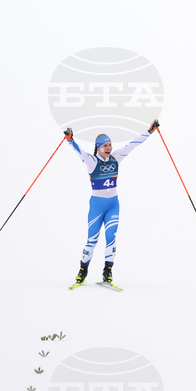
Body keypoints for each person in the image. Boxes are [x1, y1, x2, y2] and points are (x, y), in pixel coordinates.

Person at [66, 119, 160, 288]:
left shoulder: (116, 157)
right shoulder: (91, 161)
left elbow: (133, 145)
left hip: (113, 205)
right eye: (105, 145)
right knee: (92, 240)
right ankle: (83, 271)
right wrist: (70, 139)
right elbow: (79, 151)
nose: (109, 148)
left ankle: (107, 272)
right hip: (96, 206)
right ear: (98, 147)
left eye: (110, 144)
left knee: (111, 237)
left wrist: (150, 131)